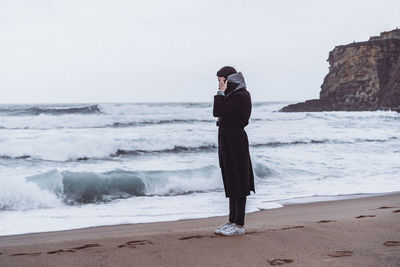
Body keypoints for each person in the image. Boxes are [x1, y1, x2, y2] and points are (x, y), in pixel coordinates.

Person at [212, 66, 255, 236]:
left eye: (221, 80)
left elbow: (217, 112)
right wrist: (223, 93)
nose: (219, 83)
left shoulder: (241, 95)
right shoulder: (232, 95)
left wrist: (220, 92)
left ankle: (239, 225)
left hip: (236, 141)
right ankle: (232, 220)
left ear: (229, 79)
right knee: (230, 179)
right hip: (227, 140)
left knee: (239, 180)